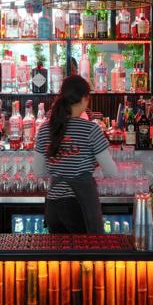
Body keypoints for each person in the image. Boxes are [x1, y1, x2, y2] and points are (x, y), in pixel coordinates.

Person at [33, 75, 116, 234]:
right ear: (85, 99)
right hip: (80, 206)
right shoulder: (91, 130)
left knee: (60, 256)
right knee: (85, 255)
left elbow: (39, 171)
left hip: (54, 206)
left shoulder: (45, 129)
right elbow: (111, 171)